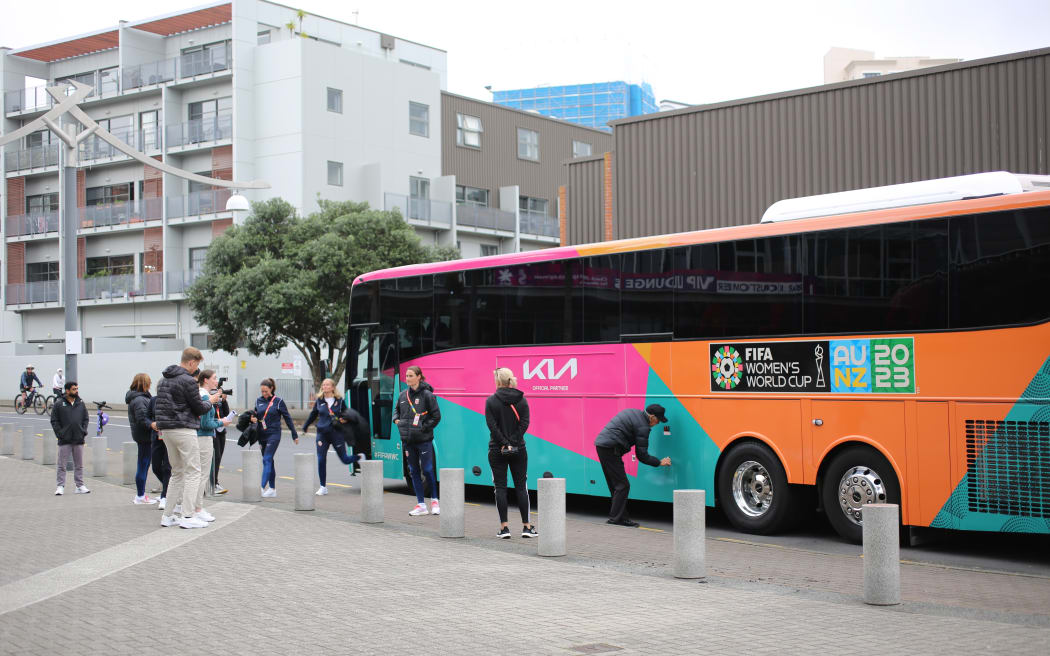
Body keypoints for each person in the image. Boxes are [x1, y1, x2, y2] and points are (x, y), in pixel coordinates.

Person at [155, 347, 220, 529]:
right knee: (193, 471)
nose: (196, 370)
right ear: (191, 362)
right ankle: (188, 515)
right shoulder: (187, 381)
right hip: (184, 428)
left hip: (166, 430)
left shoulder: (162, 381)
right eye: (196, 365)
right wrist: (211, 402)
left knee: (177, 472)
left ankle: (167, 516)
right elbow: (199, 407)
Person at [593, 404, 672, 527]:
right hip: (610, 448)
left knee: (616, 486)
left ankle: (621, 518)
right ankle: (615, 519)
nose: (658, 424)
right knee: (622, 485)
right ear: (651, 417)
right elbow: (642, 456)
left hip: (603, 446)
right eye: (658, 420)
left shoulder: (635, 413)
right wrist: (659, 462)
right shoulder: (643, 427)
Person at [485, 368, 536, 538]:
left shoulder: (491, 401)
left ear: (498, 381)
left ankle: (504, 528)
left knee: (500, 488)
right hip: (519, 449)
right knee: (521, 488)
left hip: (496, 449)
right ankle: (527, 527)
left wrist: (504, 443)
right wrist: (513, 442)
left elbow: (492, 426)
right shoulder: (522, 400)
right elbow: (525, 423)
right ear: (510, 380)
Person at [303, 378, 366, 496]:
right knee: (321, 460)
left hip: (336, 433)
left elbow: (347, 413)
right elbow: (313, 414)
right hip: (322, 434)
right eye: (323, 385)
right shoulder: (319, 401)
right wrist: (305, 426)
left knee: (345, 459)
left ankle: (359, 457)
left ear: (332, 387)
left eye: (327, 385)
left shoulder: (340, 401)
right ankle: (323, 486)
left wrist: (345, 418)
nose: (325, 387)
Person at [392, 365, 441, 516]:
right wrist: (396, 420)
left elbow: (436, 416)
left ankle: (434, 501)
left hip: (423, 440)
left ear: (419, 376)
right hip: (407, 440)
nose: (407, 378)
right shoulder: (402, 396)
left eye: (411, 375)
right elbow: (396, 412)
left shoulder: (427, 395)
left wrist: (424, 428)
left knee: (427, 469)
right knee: (414, 471)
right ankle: (421, 505)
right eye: (406, 376)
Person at [195, 369, 232, 521]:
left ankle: (192, 508)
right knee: (201, 475)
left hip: (199, 437)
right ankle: (197, 509)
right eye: (214, 378)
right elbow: (205, 423)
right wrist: (221, 422)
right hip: (203, 438)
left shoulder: (202, 395)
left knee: (195, 475)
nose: (217, 381)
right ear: (205, 380)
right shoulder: (204, 396)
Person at [251, 378, 298, 497]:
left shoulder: (278, 401)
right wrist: (253, 418)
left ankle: (261, 487)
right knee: (269, 461)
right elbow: (256, 414)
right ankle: (272, 489)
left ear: (271, 388)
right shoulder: (258, 401)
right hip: (262, 434)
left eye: (266, 391)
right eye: (262, 391)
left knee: (266, 459)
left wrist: (294, 434)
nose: (264, 394)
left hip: (274, 434)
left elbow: (288, 418)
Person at [50, 381, 89, 495]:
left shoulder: (80, 402)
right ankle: (60, 486)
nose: (76, 391)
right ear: (67, 391)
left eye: (77, 389)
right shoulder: (59, 403)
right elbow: (54, 420)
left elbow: (85, 418)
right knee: (62, 464)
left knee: (79, 464)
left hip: (78, 438)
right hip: (64, 439)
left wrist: (83, 431)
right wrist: (60, 433)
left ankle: (80, 486)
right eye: (74, 389)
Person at [126, 373, 158, 504]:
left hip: (142, 436)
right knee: (143, 465)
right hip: (145, 436)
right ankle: (140, 495)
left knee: (143, 464)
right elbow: (142, 418)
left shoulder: (137, 397)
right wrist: (152, 424)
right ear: (145, 384)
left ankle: (141, 494)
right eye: (149, 382)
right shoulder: (140, 399)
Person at [148, 394, 171, 510]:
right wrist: (151, 423)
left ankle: (165, 496)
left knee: (167, 467)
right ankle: (171, 487)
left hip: (170, 436)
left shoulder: (174, 399)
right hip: (157, 437)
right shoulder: (153, 400)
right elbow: (147, 417)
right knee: (156, 466)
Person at [210, 388, 231, 495]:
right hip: (213, 431)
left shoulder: (220, 402)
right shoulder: (210, 401)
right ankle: (213, 483)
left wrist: (224, 401)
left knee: (219, 457)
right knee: (215, 457)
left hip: (221, 431)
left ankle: (215, 481)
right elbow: (211, 416)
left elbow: (226, 414)